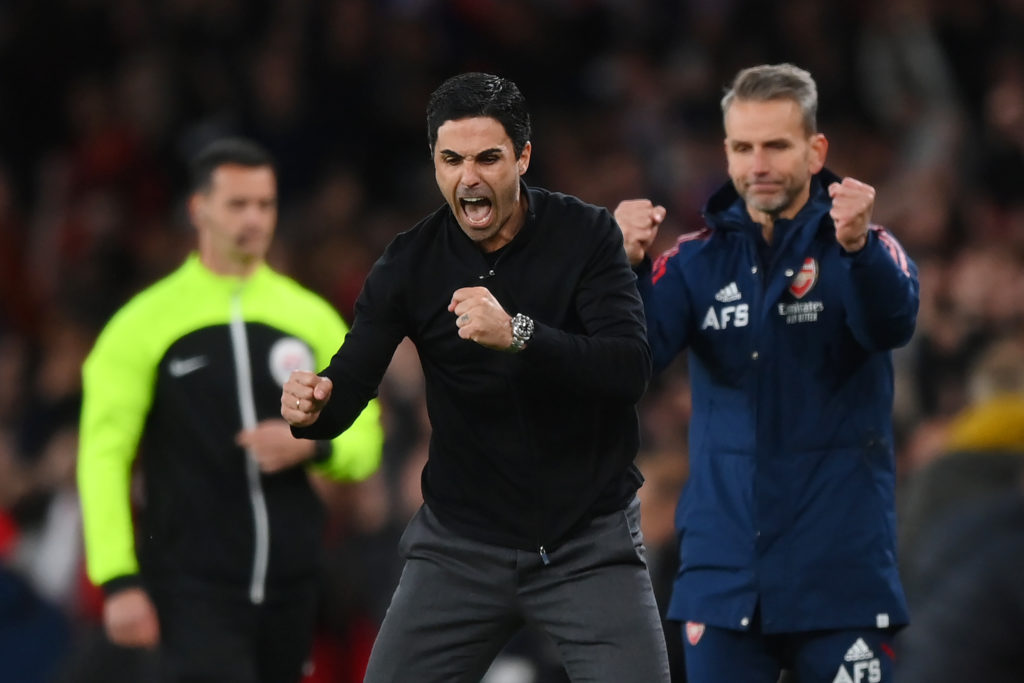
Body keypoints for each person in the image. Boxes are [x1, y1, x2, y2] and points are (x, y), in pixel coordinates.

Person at [282, 72, 670, 683]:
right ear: (433, 162)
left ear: (523, 157)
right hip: (460, 547)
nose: (470, 177)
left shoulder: (587, 235)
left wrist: (519, 333)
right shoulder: (409, 262)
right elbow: (350, 380)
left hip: (587, 541)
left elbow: (628, 369)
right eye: (451, 159)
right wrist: (315, 407)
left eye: (489, 157)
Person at [615, 63, 919, 683]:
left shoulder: (864, 245)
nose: (759, 163)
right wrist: (622, 269)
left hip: (842, 579)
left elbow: (891, 324)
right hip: (726, 580)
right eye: (744, 146)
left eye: (777, 145)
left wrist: (858, 250)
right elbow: (627, 365)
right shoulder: (694, 262)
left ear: (816, 151)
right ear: (726, 151)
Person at [77, 137, 383, 683]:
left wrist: (312, 446)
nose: (254, 219)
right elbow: (103, 458)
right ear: (199, 210)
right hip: (193, 588)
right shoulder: (143, 324)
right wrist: (118, 580)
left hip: (292, 585)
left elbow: (366, 436)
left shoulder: (308, 317)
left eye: (265, 204)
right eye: (237, 204)